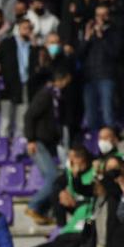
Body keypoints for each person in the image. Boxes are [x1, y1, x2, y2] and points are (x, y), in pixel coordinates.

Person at [25, 146, 96, 247]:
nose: (69, 161)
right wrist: (66, 199)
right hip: (66, 233)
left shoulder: (95, 174)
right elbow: (58, 187)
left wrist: (76, 202)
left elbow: (92, 196)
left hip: (83, 234)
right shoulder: (70, 173)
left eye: (72, 158)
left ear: (81, 159)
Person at [23, 69, 73, 226]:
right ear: (63, 80)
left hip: (48, 144)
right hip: (38, 142)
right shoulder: (45, 95)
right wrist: (30, 139)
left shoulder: (57, 97)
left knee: (56, 179)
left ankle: (43, 211)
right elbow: (29, 115)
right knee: (53, 177)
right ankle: (33, 205)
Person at [77, 4, 122, 133]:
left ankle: (111, 144)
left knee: (108, 114)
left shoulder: (114, 32)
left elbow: (115, 53)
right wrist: (86, 39)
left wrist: (101, 36)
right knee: (91, 116)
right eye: (98, 15)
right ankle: (95, 147)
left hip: (106, 76)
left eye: (104, 14)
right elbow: (79, 54)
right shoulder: (88, 32)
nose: (101, 18)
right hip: (89, 78)